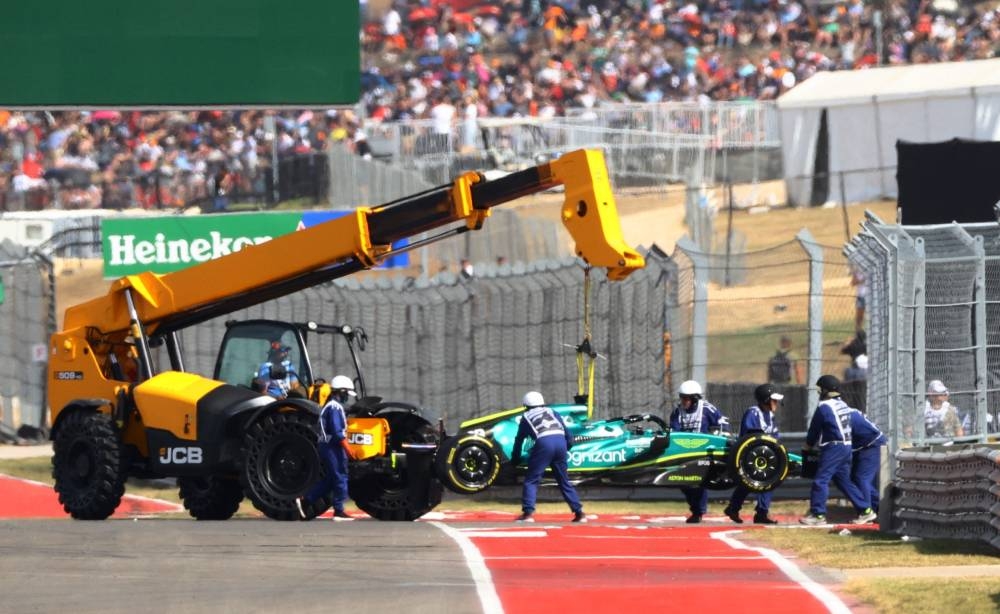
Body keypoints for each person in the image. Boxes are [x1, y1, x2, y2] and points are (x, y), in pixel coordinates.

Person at [800, 375, 876, 525]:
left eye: (820, 390)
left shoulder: (824, 407)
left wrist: (807, 447)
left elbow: (814, 430)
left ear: (825, 391)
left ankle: (818, 515)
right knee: (843, 481)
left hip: (833, 447)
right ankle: (865, 510)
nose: (819, 393)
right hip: (846, 447)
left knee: (821, 480)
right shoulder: (843, 405)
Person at [509, 391, 586, 523]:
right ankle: (580, 513)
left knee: (531, 480)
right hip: (560, 442)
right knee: (564, 480)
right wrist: (566, 447)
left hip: (544, 443)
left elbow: (519, 440)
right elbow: (568, 434)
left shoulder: (526, 417)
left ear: (526, 405)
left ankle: (528, 514)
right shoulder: (552, 411)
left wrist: (515, 459)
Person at [296, 375, 358, 520]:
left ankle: (306, 502)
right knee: (340, 475)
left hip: (327, 445)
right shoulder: (335, 407)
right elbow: (337, 432)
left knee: (330, 479)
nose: (347, 398)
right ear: (341, 391)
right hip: (333, 447)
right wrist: (348, 449)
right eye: (346, 394)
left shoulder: (330, 406)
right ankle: (339, 511)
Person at [669, 380, 728, 523]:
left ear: (695, 398)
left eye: (687, 398)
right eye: (682, 397)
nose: (683, 401)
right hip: (684, 453)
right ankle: (696, 509)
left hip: (703, 452)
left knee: (698, 481)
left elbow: (723, 424)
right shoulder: (677, 412)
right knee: (682, 482)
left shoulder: (707, 409)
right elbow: (673, 432)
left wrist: (718, 438)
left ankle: (698, 511)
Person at [724, 384, 784, 525]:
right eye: (774, 400)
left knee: (760, 481)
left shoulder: (770, 416)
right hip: (748, 455)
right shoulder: (753, 413)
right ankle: (754, 511)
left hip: (765, 456)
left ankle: (740, 509)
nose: (776, 403)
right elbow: (751, 434)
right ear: (765, 400)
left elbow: (775, 436)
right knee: (757, 481)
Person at [849, 406, 887, 515]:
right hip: (862, 445)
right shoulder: (847, 412)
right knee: (855, 478)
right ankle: (879, 506)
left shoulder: (846, 414)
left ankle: (867, 512)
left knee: (862, 478)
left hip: (872, 443)